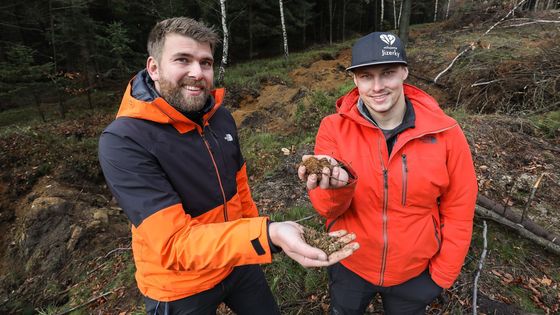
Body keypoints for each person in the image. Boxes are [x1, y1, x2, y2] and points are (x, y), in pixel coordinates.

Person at [98, 17, 359, 314]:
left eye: (205, 62)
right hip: (178, 286)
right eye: (183, 60)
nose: (197, 73)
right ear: (154, 68)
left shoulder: (219, 118)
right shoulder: (125, 140)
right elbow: (173, 243)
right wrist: (267, 234)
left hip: (237, 262)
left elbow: (240, 188)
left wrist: (255, 236)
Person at [298, 31, 478, 314]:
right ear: (355, 80)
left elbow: (459, 207)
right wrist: (336, 187)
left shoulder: (446, 133)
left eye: (388, 73)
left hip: (415, 273)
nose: (377, 86)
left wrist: (442, 274)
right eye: (366, 76)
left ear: (404, 72)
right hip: (351, 264)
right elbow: (327, 210)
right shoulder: (333, 128)